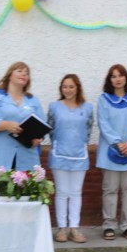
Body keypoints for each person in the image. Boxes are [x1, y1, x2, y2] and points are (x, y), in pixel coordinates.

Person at [96, 64, 127, 240]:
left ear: (126, 78)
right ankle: (109, 225)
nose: (117, 79)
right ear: (109, 80)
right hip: (110, 152)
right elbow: (104, 124)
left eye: (120, 75)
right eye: (113, 76)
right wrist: (118, 144)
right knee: (110, 189)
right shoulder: (104, 100)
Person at [0, 62, 45, 171]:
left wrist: (38, 138)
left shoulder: (33, 100)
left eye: (27, 73)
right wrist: (6, 125)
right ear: (9, 75)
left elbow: (42, 126)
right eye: (19, 71)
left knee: (25, 188)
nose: (24, 74)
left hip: (26, 158)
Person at [47, 74, 93, 243]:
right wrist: (59, 144)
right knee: (61, 192)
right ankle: (61, 228)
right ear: (61, 88)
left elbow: (88, 130)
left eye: (71, 86)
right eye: (65, 86)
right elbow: (51, 128)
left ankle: (74, 227)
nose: (68, 90)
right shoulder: (54, 107)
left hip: (79, 154)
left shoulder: (87, 108)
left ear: (77, 88)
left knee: (75, 192)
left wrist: (79, 144)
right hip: (59, 154)